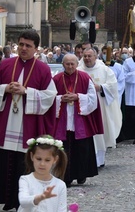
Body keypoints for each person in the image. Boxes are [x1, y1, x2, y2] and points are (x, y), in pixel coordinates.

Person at [0, 30, 57, 210]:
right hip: (5, 124)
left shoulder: (43, 69)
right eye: (21, 44)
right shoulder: (6, 64)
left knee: (23, 165)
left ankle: (20, 202)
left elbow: (50, 96)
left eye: (28, 46)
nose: (23, 48)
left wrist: (26, 91)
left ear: (36, 48)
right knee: (2, 163)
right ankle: (3, 199)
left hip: (26, 126)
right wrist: (5, 88)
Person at [53, 54, 104, 187]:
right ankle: (65, 176)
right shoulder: (56, 79)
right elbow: (49, 97)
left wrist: (77, 97)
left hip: (80, 119)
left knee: (82, 148)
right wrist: (60, 99)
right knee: (64, 148)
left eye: (72, 64)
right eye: (67, 64)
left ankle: (82, 174)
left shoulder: (84, 77)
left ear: (76, 64)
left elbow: (93, 98)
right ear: (63, 64)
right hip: (63, 119)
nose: (70, 66)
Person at [78, 48, 122, 167]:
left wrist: (101, 87)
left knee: (99, 133)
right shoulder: (79, 70)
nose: (87, 58)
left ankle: (100, 159)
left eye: (89, 56)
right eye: (85, 56)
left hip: (101, 106)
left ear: (95, 56)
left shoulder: (104, 70)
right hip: (85, 107)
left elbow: (113, 86)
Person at [18, 135, 68, 212]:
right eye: (38, 159)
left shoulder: (60, 185)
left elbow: (62, 209)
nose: (42, 164)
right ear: (32, 156)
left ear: (55, 159)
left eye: (47, 160)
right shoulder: (25, 180)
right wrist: (41, 197)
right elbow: (23, 201)